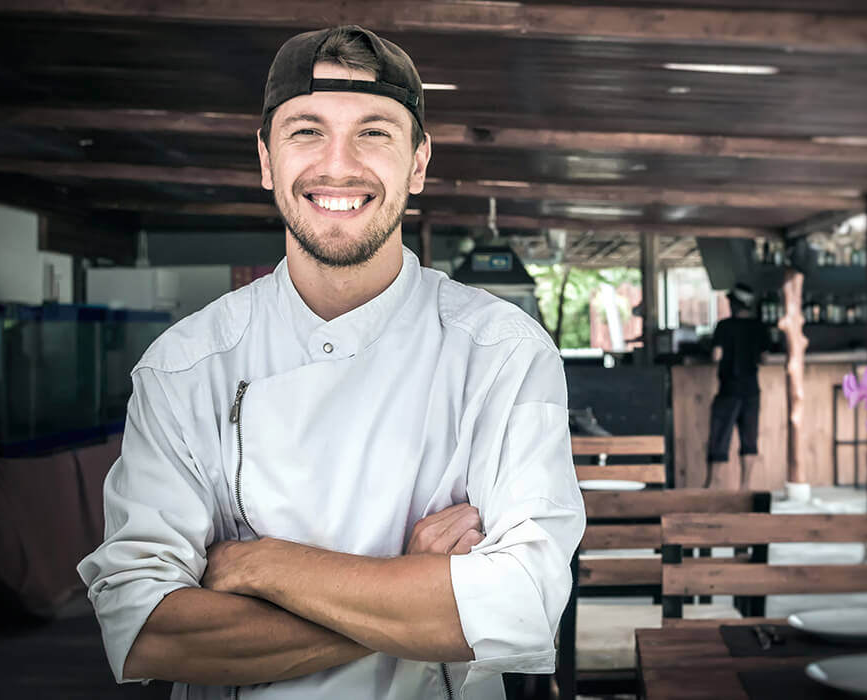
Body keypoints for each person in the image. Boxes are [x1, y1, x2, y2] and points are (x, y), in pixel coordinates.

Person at [77, 26, 585, 700]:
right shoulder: (183, 367)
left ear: (418, 163)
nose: (338, 165)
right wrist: (411, 588)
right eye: (306, 131)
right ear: (265, 159)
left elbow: (525, 604)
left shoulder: (501, 353)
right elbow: (148, 632)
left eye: (374, 132)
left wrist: (262, 566)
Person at [705, 282, 769, 490]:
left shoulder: (724, 326)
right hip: (752, 389)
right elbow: (765, 358)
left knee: (720, 437)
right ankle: (745, 486)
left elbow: (716, 356)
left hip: (729, 389)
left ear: (734, 304)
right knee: (749, 439)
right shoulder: (759, 327)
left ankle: (713, 485)